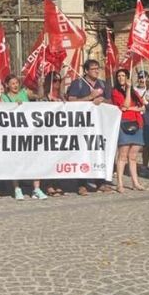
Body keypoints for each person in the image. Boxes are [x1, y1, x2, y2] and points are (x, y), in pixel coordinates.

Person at [66, 59, 112, 195]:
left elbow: (111, 101)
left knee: (98, 151)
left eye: (98, 68)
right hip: (82, 124)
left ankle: (100, 182)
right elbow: (71, 101)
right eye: (93, 68)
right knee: (82, 153)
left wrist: (103, 100)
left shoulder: (103, 84)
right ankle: (82, 184)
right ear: (86, 71)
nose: (97, 71)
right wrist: (90, 97)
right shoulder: (78, 83)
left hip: (99, 125)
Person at [2, 74, 46, 200]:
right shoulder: (4, 97)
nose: (15, 85)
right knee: (16, 162)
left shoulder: (25, 92)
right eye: (12, 83)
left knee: (35, 160)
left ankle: (36, 188)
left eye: (16, 83)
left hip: (29, 132)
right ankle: (17, 188)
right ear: (7, 85)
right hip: (14, 134)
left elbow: (40, 96)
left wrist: (40, 85)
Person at [112, 69, 147, 193]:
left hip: (137, 124)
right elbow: (124, 106)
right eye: (119, 76)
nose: (121, 78)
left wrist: (132, 108)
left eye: (123, 75)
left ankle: (135, 182)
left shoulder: (135, 92)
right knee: (122, 155)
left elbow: (143, 107)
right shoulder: (116, 92)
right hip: (124, 124)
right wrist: (127, 90)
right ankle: (120, 183)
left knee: (133, 156)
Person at [39, 73, 65, 197]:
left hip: (59, 133)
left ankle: (57, 182)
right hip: (47, 133)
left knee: (58, 158)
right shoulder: (44, 98)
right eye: (54, 81)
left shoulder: (62, 97)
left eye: (59, 81)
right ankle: (48, 184)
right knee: (48, 159)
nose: (57, 83)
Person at [134, 70, 149, 174]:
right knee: (133, 144)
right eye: (140, 77)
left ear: (147, 78)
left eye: (143, 77)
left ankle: (144, 166)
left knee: (146, 145)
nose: (141, 80)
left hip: (147, 120)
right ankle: (132, 166)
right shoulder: (133, 90)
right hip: (135, 119)